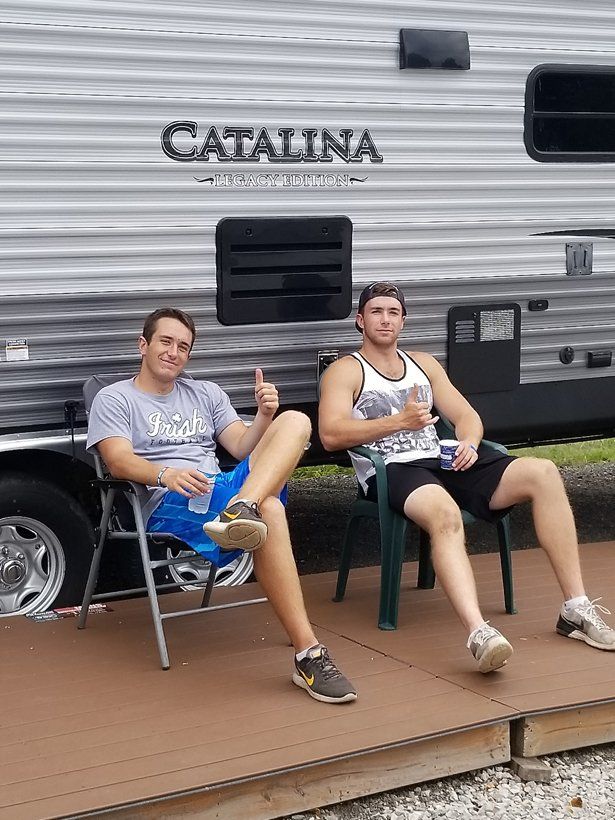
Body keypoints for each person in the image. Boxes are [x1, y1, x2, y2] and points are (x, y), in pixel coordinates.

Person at [318, 281, 615, 673]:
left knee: (543, 472)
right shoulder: (346, 370)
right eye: (376, 311)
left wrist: (470, 444)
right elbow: (330, 434)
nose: (384, 319)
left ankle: (575, 608)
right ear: (360, 320)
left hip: (443, 461)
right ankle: (479, 633)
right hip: (392, 470)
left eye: (393, 312)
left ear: (403, 322)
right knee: (445, 514)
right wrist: (398, 422)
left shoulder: (423, 364)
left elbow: (467, 416)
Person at [87, 307, 356, 704]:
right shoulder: (115, 399)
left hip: (225, 489)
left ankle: (241, 507)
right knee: (274, 511)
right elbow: (118, 460)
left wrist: (264, 416)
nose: (174, 352)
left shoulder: (206, 393)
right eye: (166, 341)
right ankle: (308, 653)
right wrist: (166, 474)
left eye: (183, 346)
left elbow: (242, 446)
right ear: (143, 345)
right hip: (172, 499)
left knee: (296, 420)